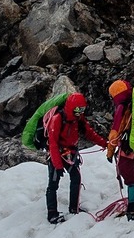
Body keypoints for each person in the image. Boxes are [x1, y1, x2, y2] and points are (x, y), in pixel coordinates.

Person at [41, 91, 95, 223]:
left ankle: (74, 207)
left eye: (82, 109)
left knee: (76, 178)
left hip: (70, 153)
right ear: (72, 107)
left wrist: (105, 144)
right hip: (57, 154)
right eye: (78, 109)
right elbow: (53, 144)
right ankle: (52, 214)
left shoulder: (78, 118)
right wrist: (58, 165)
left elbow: (89, 133)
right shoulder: (57, 119)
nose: (80, 112)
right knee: (53, 185)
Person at [106, 79, 134, 221]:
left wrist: (110, 151)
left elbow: (115, 131)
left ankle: (133, 209)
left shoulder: (122, 107)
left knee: (130, 177)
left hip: (126, 148)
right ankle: (133, 206)